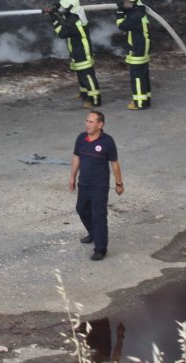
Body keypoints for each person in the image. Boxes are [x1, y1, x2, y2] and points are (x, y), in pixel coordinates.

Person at [69, 110, 123, 260]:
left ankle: (100, 248)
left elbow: (114, 164)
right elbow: (76, 157)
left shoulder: (107, 141)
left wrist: (119, 184)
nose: (87, 124)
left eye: (91, 122)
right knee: (81, 209)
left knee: (99, 215)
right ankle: (93, 232)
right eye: (87, 121)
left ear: (100, 124)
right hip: (84, 183)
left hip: (99, 185)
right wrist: (72, 177)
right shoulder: (81, 138)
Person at [48, 0, 101, 108]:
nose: (62, 8)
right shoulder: (76, 11)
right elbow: (66, 12)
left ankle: (95, 99)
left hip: (81, 51)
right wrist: (57, 7)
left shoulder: (73, 21)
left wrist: (54, 19)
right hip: (77, 49)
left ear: (71, 7)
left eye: (64, 7)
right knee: (80, 73)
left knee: (87, 76)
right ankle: (84, 93)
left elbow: (62, 33)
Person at [115, 0, 152, 110]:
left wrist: (120, 12)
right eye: (125, 1)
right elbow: (132, 14)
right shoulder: (139, 10)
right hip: (142, 47)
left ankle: (139, 103)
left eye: (128, 1)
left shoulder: (136, 15)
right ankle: (145, 99)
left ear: (134, 1)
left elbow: (122, 25)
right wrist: (125, 9)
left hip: (138, 48)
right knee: (143, 74)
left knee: (136, 76)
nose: (126, 3)